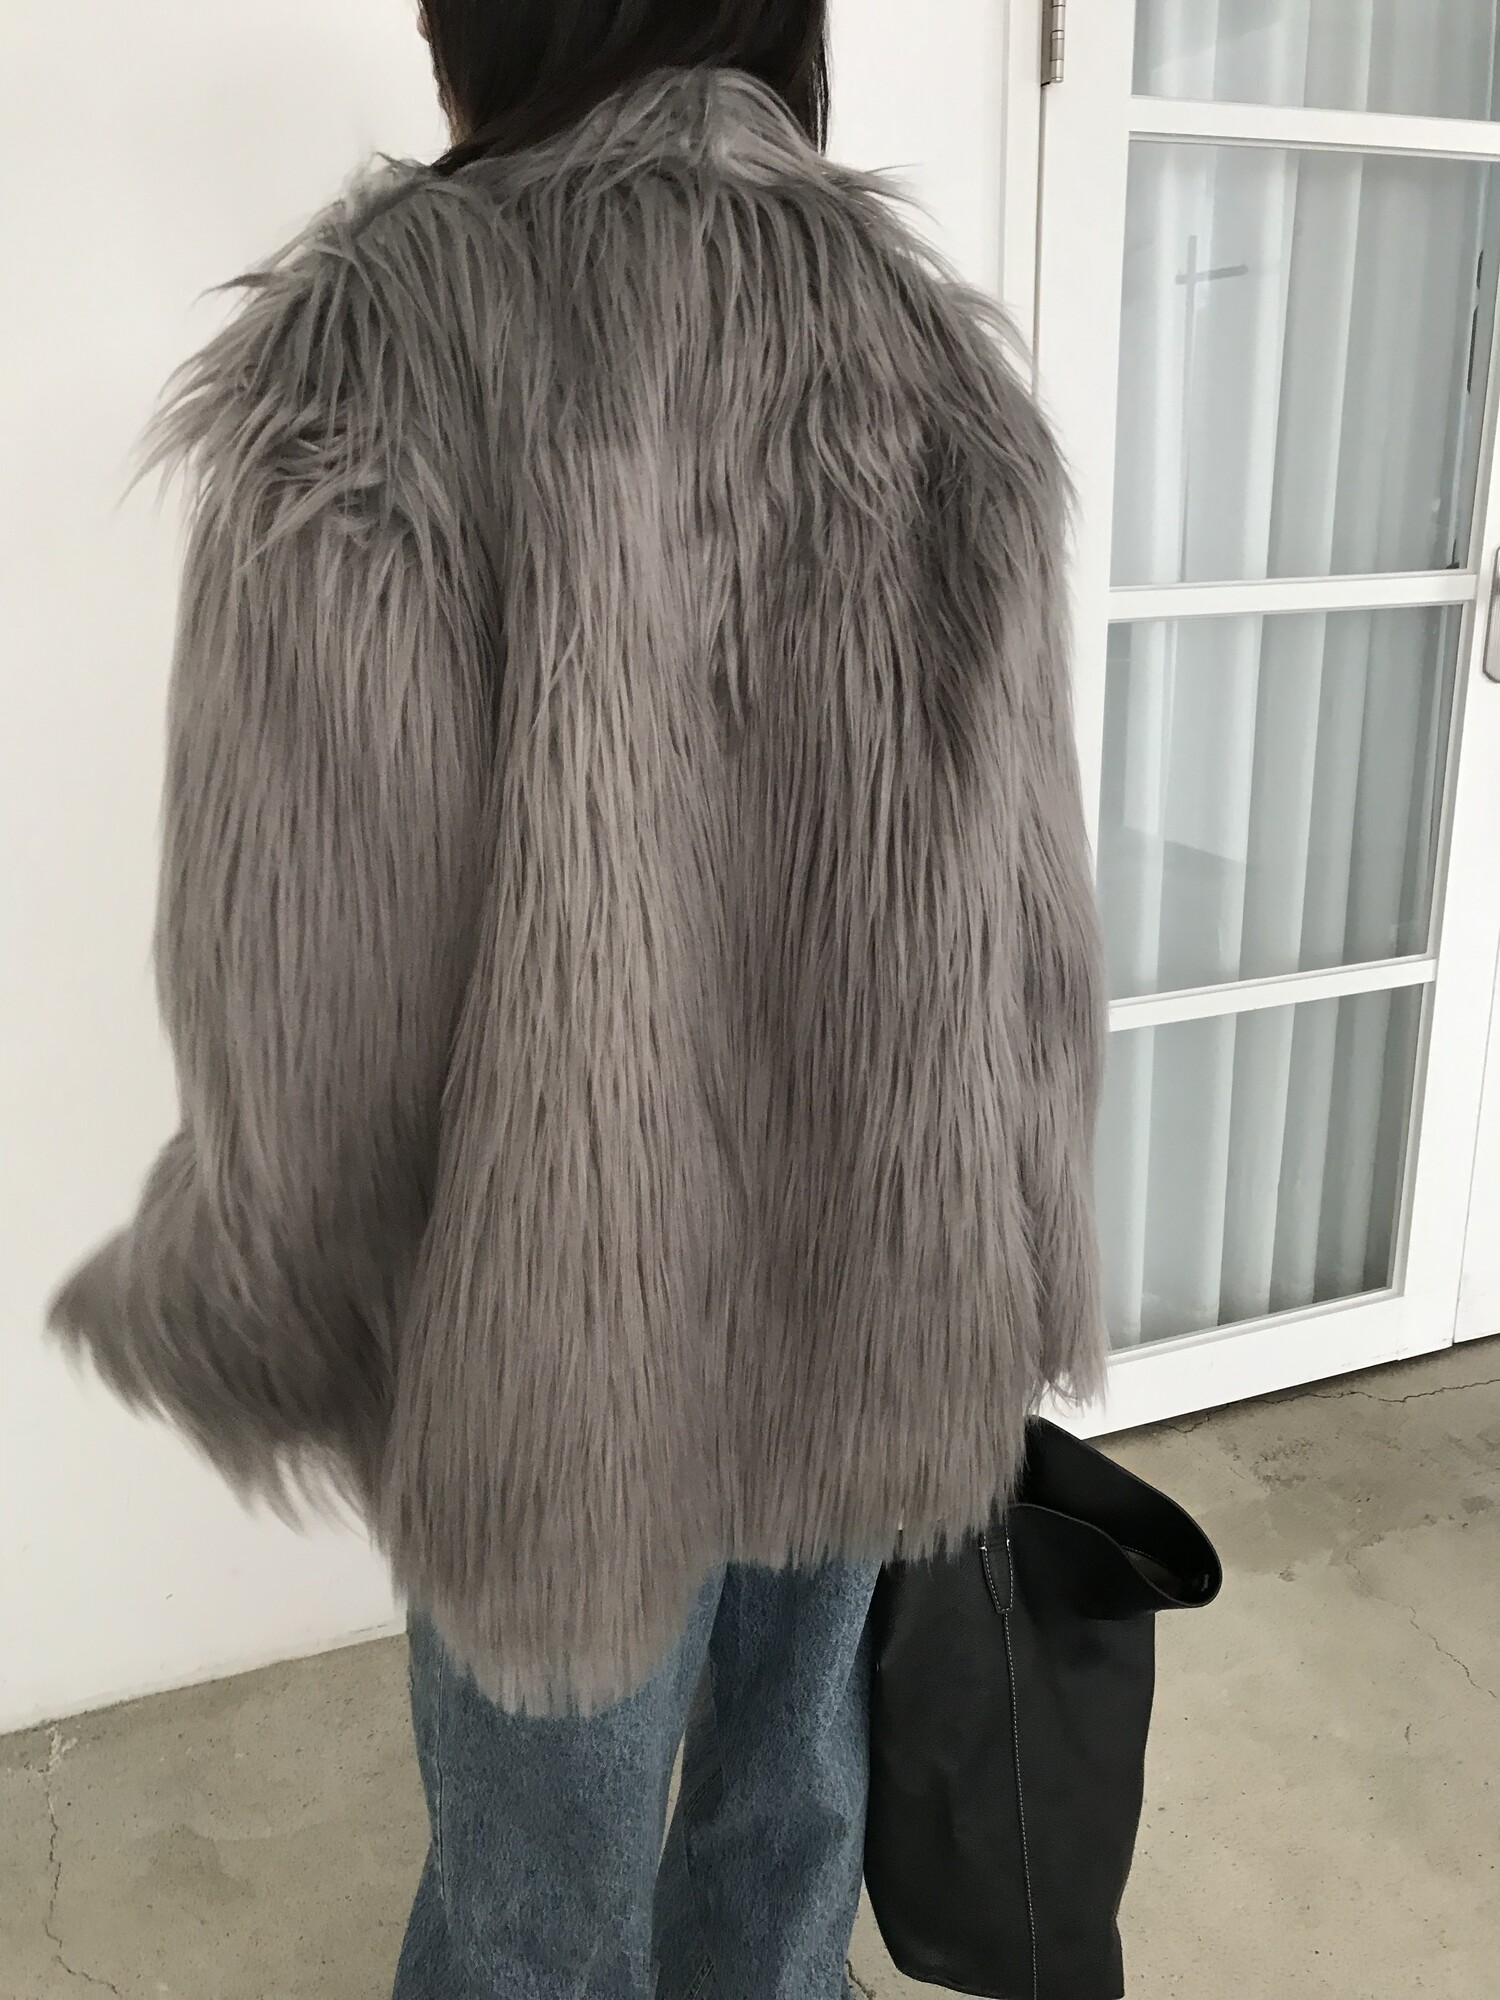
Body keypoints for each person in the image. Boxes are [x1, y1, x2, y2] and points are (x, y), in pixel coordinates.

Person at [48, 3, 1108, 1993]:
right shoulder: (922, 344)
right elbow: (1025, 895)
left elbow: (308, 953)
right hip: (875, 1265)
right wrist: (1019, 1232)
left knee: (537, 1909)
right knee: (787, 1818)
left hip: (553, 1323)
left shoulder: (381, 344)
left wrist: (285, 1282)